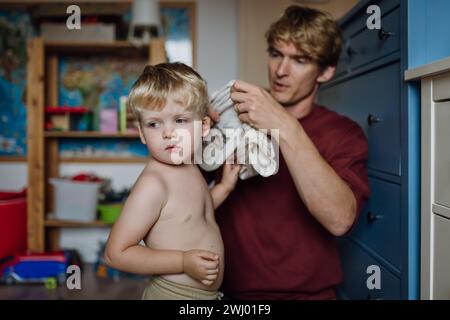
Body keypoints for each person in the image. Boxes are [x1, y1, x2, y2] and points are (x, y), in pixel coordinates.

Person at [212, 5, 370, 299]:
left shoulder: (344, 134)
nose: (281, 71)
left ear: (325, 71)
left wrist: (284, 125)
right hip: (229, 294)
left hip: (307, 295)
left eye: (300, 60)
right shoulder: (235, 115)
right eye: (275, 54)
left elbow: (340, 220)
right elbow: (182, 185)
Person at [104, 62, 241, 300]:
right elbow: (116, 253)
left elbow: (191, 214)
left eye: (180, 120)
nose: (168, 132)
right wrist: (183, 262)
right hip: (173, 294)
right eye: (154, 124)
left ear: (204, 126)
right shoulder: (154, 184)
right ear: (142, 134)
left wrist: (223, 188)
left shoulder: (189, 165)